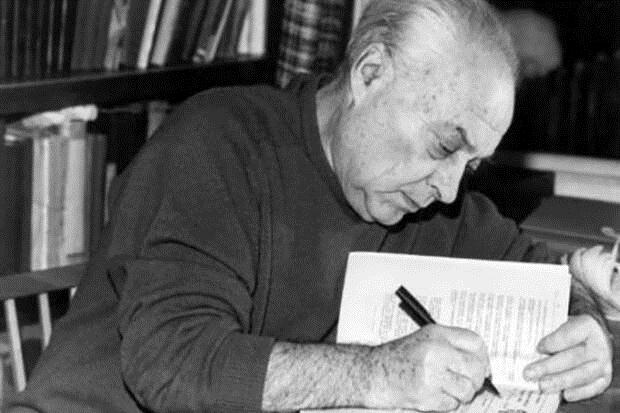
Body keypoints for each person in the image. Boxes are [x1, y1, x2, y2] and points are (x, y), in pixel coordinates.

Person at [6, 0, 614, 412]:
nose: (452, 188)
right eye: (443, 146)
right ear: (370, 74)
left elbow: (547, 280)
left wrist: (590, 328)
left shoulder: (429, 205)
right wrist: (377, 374)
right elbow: (172, 363)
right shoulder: (217, 144)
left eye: (472, 164)